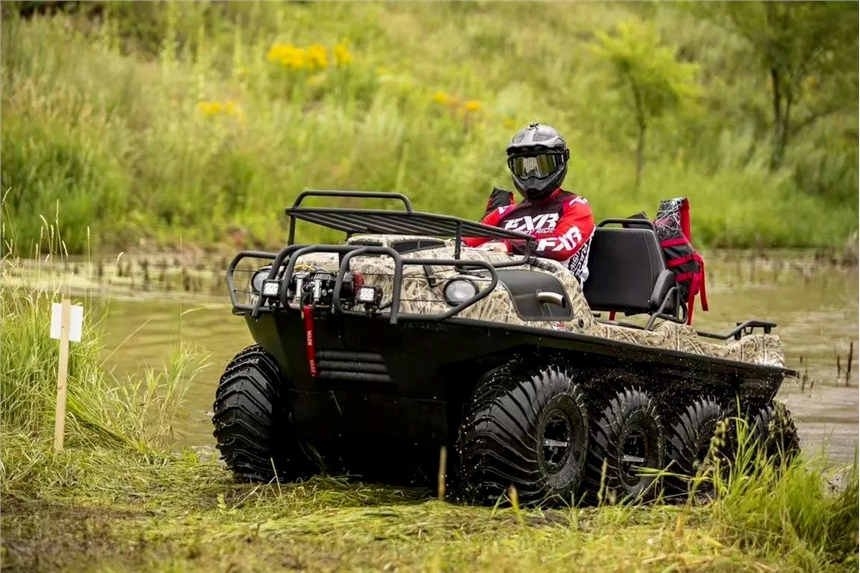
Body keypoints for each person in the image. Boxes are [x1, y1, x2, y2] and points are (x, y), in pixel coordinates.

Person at [464, 122, 596, 284]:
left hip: (559, 293)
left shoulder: (576, 205)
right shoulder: (503, 212)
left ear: (559, 163)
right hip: (497, 284)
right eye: (524, 167)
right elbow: (464, 244)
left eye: (542, 165)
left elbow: (561, 247)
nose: (533, 174)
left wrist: (509, 245)